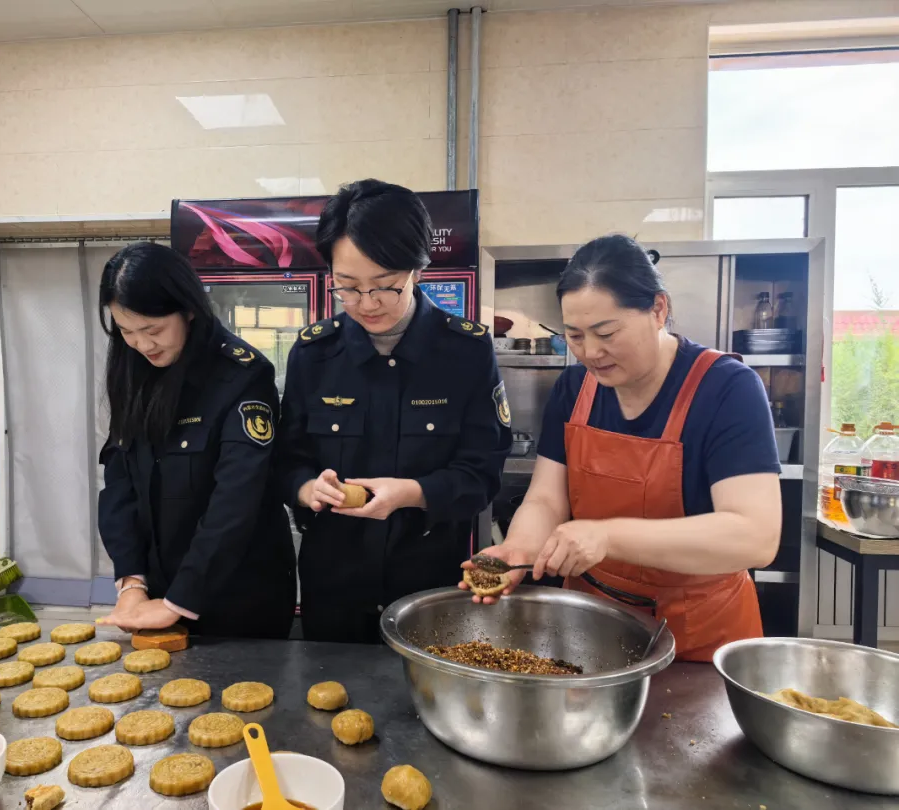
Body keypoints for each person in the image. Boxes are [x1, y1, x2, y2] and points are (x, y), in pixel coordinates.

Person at [465, 234, 781, 662]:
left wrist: (606, 536)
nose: (591, 352)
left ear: (658, 309)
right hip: (591, 626)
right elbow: (546, 499)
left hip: (700, 639)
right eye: (575, 335)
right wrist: (520, 547)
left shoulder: (727, 389)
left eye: (606, 332)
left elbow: (755, 536)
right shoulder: (573, 388)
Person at [278, 179, 512, 644]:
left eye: (385, 286)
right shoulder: (314, 354)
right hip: (334, 588)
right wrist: (306, 489)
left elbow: (482, 474)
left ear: (417, 270)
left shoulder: (465, 352)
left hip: (430, 586)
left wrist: (411, 493)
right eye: (348, 288)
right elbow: (285, 460)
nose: (367, 304)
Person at [96, 241, 296, 638]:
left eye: (153, 329)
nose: (142, 345)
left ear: (188, 309)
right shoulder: (133, 368)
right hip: (159, 591)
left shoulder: (242, 375)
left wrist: (180, 601)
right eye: (126, 331)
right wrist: (131, 581)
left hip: (239, 596)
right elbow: (119, 481)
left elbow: (237, 497)